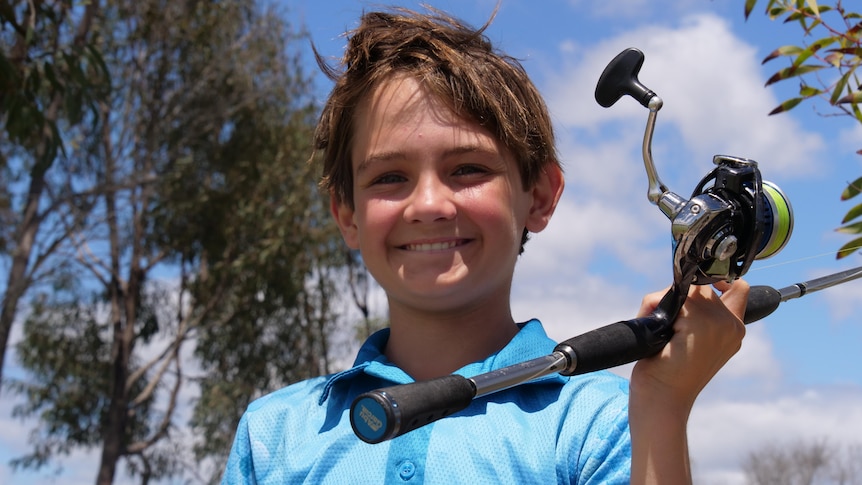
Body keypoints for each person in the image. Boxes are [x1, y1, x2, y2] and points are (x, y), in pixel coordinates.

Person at [221, 5, 748, 484]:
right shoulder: (274, 433)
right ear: (347, 216)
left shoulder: (604, 422)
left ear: (539, 197)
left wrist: (661, 404)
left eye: (468, 169)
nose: (428, 204)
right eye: (388, 178)